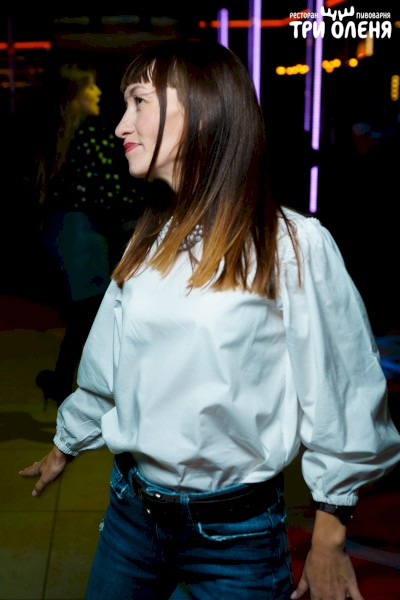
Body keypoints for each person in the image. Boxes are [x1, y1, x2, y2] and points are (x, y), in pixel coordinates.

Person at [20, 39, 400, 600]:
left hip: (236, 539)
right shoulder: (148, 238)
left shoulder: (291, 246)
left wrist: (329, 535)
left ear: (199, 112)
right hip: (132, 517)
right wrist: (66, 444)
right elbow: (107, 366)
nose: (121, 125)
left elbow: (342, 393)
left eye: (139, 101)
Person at [34, 63, 144, 406]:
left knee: (88, 313)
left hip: (63, 230)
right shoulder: (91, 133)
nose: (98, 92)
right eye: (90, 88)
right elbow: (109, 192)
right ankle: (101, 390)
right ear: (75, 94)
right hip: (82, 232)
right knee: (96, 313)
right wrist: (147, 209)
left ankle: (61, 381)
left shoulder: (60, 134)